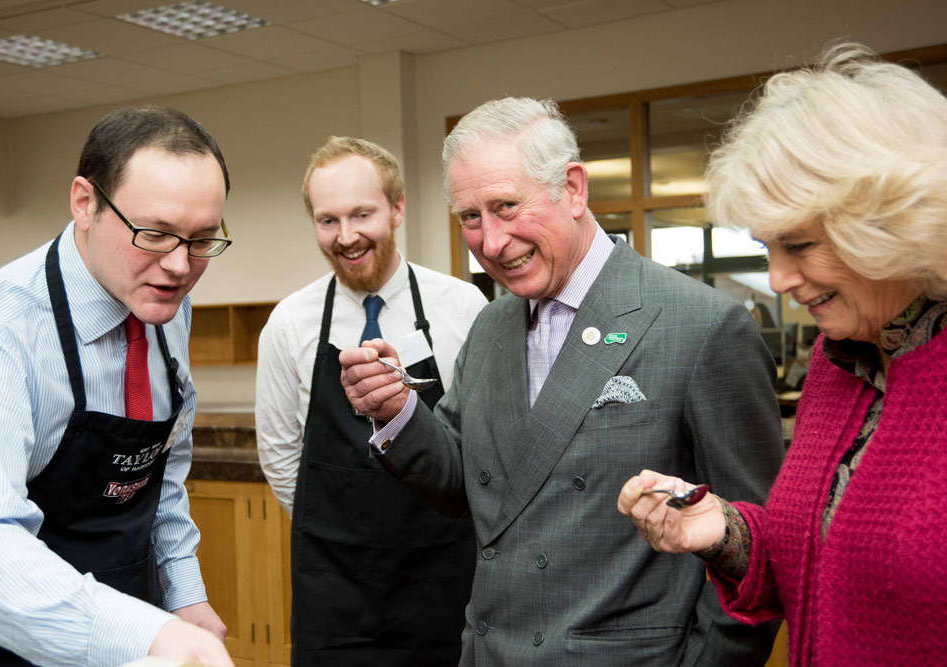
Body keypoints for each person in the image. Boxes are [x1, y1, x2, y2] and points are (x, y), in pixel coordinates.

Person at [339, 97, 786, 665]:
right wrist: (398, 409)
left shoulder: (700, 326)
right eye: (471, 217)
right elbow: (463, 484)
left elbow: (759, 546)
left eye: (506, 206)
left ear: (574, 188)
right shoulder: (491, 324)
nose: (492, 242)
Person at [617, 42, 947, 666]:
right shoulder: (840, 360)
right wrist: (721, 532)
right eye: (766, 247)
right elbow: (823, 567)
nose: (776, 280)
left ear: (896, 223)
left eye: (798, 245)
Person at [0, 106, 235, 667]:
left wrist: (184, 595)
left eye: (203, 240)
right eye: (154, 234)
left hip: (135, 618)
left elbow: (162, 474)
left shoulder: (164, 304)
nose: (179, 266)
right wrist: (148, 638)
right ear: (85, 203)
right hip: (7, 639)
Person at [255, 136, 487, 665]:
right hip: (333, 587)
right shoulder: (290, 323)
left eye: (362, 214)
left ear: (398, 208)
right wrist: (336, 532)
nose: (347, 236)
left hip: (440, 575)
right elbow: (280, 453)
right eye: (328, 220)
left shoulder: (463, 306)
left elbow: (478, 441)